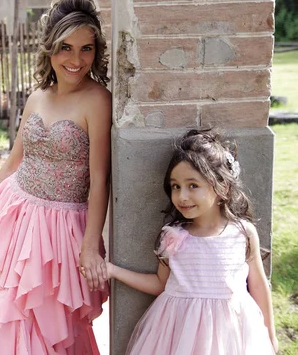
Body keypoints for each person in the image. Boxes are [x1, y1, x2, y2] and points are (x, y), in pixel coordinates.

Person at [0, 0, 112, 354]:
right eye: (65, 47)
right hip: (16, 217)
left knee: (49, 325)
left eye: (86, 49)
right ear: (49, 48)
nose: (76, 60)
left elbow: (99, 180)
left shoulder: (97, 99)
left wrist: (90, 246)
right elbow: (15, 160)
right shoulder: (37, 97)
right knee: (5, 315)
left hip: (61, 232)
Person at [105, 129, 278, 355]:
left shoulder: (242, 233)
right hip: (177, 332)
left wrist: (270, 335)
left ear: (222, 188)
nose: (182, 196)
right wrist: (113, 270)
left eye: (193, 185)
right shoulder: (174, 235)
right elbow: (160, 283)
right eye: (176, 186)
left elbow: (258, 286)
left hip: (230, 335)